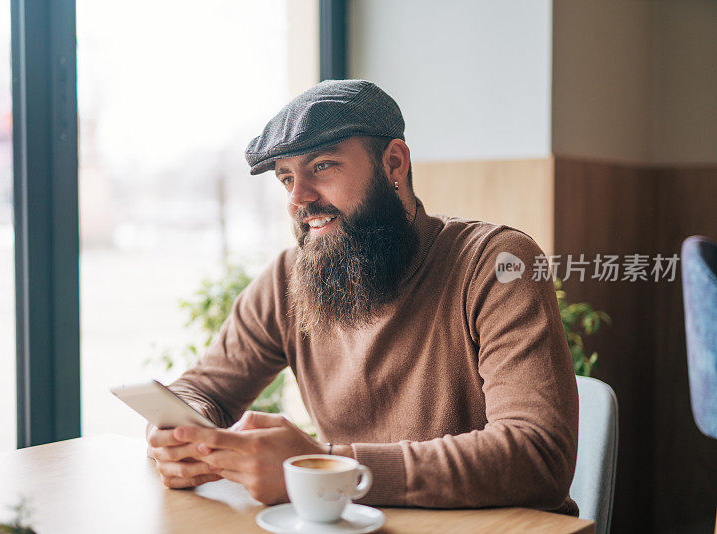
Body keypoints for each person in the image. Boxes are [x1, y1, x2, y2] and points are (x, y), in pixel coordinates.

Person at [145, 79, 579, 516]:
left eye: (322, 167)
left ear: (393, 163)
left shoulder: (497, 264)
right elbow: (203, 389)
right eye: (287, 178)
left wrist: (328, 470)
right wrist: (179, 432)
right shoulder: (288, 278)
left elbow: (538, 455)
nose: (299, 198)